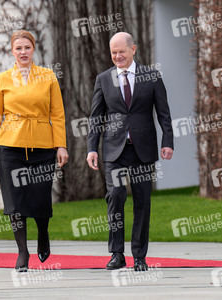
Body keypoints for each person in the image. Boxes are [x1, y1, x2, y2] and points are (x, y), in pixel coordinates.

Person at [86, 32, 174, 271]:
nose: (117, 56)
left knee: (142, 202)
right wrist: (91, 148)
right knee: (115, 197)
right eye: (113, 52)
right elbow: (96, 117)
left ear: (133, 49)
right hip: (114, 150)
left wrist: (168, 141)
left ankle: (140, 256)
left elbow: (164, 113)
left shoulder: (151, 76)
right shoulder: (103, 79)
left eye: (121, 51)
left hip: (143, 149)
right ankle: (116, 253)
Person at [0, 30, 68, 272]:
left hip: (43, 146)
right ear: (12, 51)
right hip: (9, 147)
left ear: (34, 49)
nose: (23, 52)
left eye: (27, 47)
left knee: (40, 197)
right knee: (15, 201)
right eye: (18, 48)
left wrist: (61, 144)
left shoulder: (48, 76)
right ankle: (22, 252)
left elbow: (58, 114)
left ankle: (43, 233)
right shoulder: (2, 79)